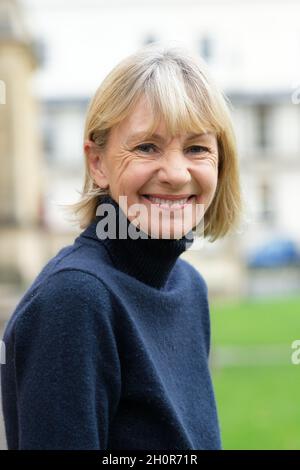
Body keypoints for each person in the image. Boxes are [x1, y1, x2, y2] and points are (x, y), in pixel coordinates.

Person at [0, 41, 242, 450]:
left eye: (197, 148)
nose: (176, 173)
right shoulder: (75, 300)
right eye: (147, 147)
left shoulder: (188, 286)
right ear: (98, 163)